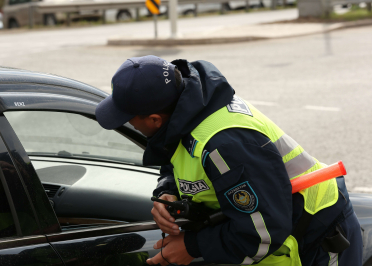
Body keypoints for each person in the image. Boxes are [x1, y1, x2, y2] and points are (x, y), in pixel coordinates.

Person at [95, 55, 363, 266]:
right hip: (278, 225)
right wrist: (167, 192)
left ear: (154, 119)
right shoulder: (187, 106)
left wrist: (192, 247)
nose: (128, 124)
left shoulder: (225, 146)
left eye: (129, 119)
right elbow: (173, 154)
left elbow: (263, 234)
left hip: (317, 235)